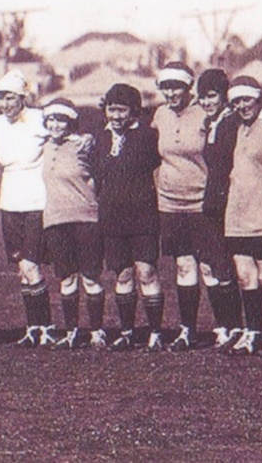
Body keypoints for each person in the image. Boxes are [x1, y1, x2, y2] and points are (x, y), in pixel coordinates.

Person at [152, 62, 239, 351]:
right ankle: (186, 330)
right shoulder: (160, 115)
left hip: (201, 203)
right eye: (165, 87)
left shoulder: (205, 112)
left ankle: (224, 328)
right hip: (169, 203)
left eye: (176, 86)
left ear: (189, 87)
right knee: (183, 266)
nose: (170, 93)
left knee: (209, 268)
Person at [92, 84, 163, 351]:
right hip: (112, 217)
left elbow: (156, 165)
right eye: (112, 109)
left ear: (133, 111)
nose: (116, 116)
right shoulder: (99, 137)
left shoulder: (147, 136)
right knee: (122, 276)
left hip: (142, 215)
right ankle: (127, 331)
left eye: (122, 110)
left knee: (146, 271)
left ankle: (155, 332)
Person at [0, 70, 54, 347]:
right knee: (22, 269)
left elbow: (65, 138)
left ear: (23, 97)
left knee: (31, 265)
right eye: (1, 98)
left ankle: (46, 327)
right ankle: (33, 328)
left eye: (10, 98)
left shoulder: (41, 119)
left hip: (36, 201)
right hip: (9, 202)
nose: (5, 104)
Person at [221, 76, 262, 356]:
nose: (242, 106)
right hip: (238, 211)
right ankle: (253, 332)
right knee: (245, 276)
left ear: (259, 99)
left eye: (247, 99)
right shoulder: (237, 127)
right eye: (236, 101)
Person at [40, 98, 105, 349]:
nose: (55, 125)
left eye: (61, 120)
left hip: (86, 218)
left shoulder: (83, 145)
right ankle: (72, 331)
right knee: (66, 279)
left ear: (70, 122)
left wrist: (87, 136)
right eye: (51, 119)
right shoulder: (42, 146)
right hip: (56, 220)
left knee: (90, 277)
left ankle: (97, 331)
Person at [197, 69, 245, 350]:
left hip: (230, 201)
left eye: (211, 95)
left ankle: (236, 326)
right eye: (202, 97)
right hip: (212, 202)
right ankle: (225, 325)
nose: (206, 102)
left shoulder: (233, 122)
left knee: (230, 266)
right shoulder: (211, 121)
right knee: (212, 265)